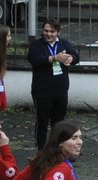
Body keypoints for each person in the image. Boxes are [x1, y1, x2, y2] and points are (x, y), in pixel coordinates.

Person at [28, 19, 79, 149]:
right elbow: (34, 59)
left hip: (60, 91)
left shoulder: (63, 43)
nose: (49, 34)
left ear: (58, 32)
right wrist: (54, 58)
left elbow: (75, 56)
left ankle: (57, 149)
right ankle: (41, 150)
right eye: (46, 31)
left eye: (52, 31)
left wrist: (70, 58)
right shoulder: (36, 45)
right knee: (42, 123)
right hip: (42, 92)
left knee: (59, 124)